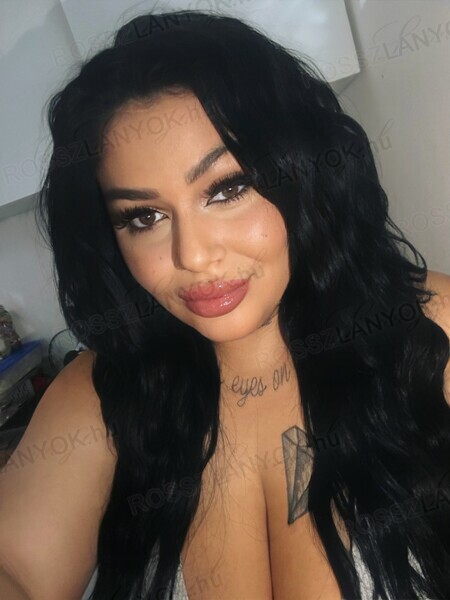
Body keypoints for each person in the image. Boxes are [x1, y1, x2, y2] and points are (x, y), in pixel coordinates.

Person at [0, 8, 449, 600]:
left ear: (303, 172)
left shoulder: (429, 330)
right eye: (145, 217)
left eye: (228, 188)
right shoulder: (105, 391)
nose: (193, 255)